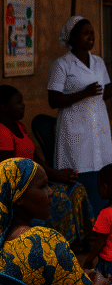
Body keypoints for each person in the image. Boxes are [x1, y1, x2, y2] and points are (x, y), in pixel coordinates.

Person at [0, 157, 112, 285]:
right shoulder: (45, 242)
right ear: (18, 197)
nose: (51, 192)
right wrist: (101, 284)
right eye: (42, 187)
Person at [47, 16, 112, 218]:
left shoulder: (98, 62)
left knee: (101, 169)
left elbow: (103, 93)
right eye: (85, 33)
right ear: (73, 37)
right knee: (78, 170)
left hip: (98, 125)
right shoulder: (62, 65)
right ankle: (78, 221)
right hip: (74, 128)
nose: (90, 36)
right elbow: (53, 99)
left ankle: (98, 220)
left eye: (92, 33)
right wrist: (83, 93)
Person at [0, 84, 95, 251]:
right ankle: (59, 245)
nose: (23, 105)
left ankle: (79, 237)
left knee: (75, 188)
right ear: (4, 107)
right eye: (18, 103)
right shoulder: (3, 133)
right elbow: (8, 174)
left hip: (33, 182)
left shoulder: (19, 127)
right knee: (57, 196)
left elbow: (36, 159)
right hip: (20, 189)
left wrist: (57, 174)